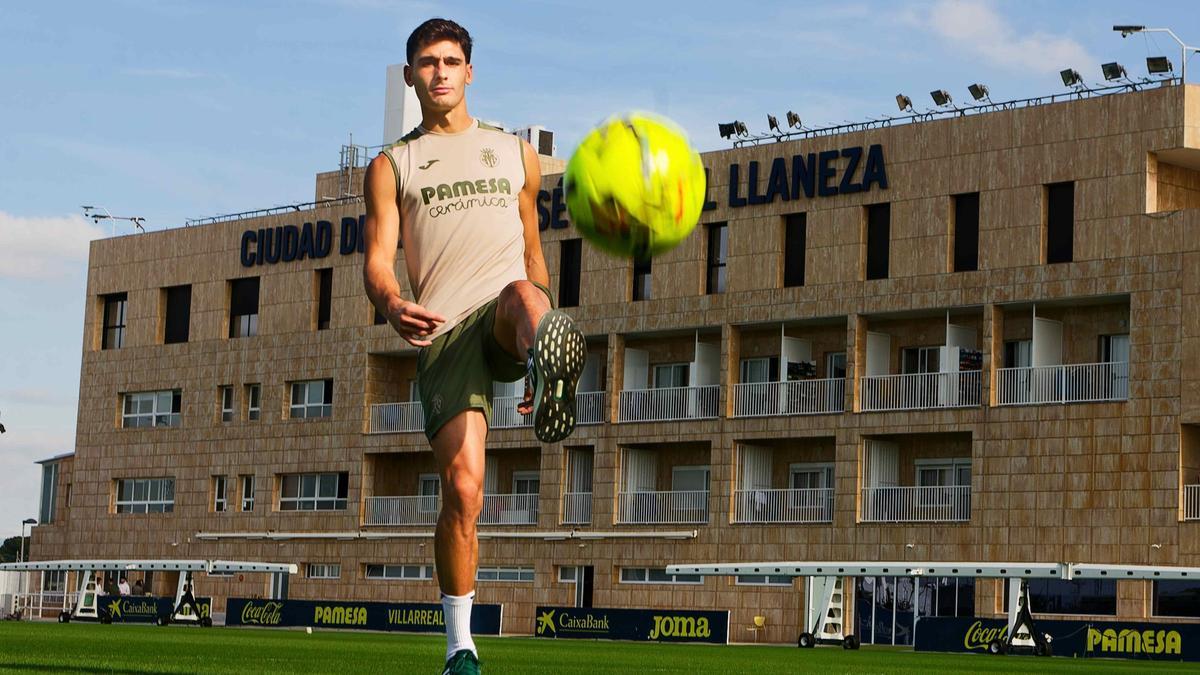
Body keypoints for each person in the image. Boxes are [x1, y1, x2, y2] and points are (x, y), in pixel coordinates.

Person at [363, 18, 586, 675]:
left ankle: (547, 365)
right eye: (428, 63)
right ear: (411, 76)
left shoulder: (514, 153)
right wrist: (390, 300)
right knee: (465, 490)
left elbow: (534, 250)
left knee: (524, 292)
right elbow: (377, 260)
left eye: (452, 61)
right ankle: (461, 644)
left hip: (506, 311)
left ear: (470, 73)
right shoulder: (392, 164)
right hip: (443, 329)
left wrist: (536, 312)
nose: (440, 72)